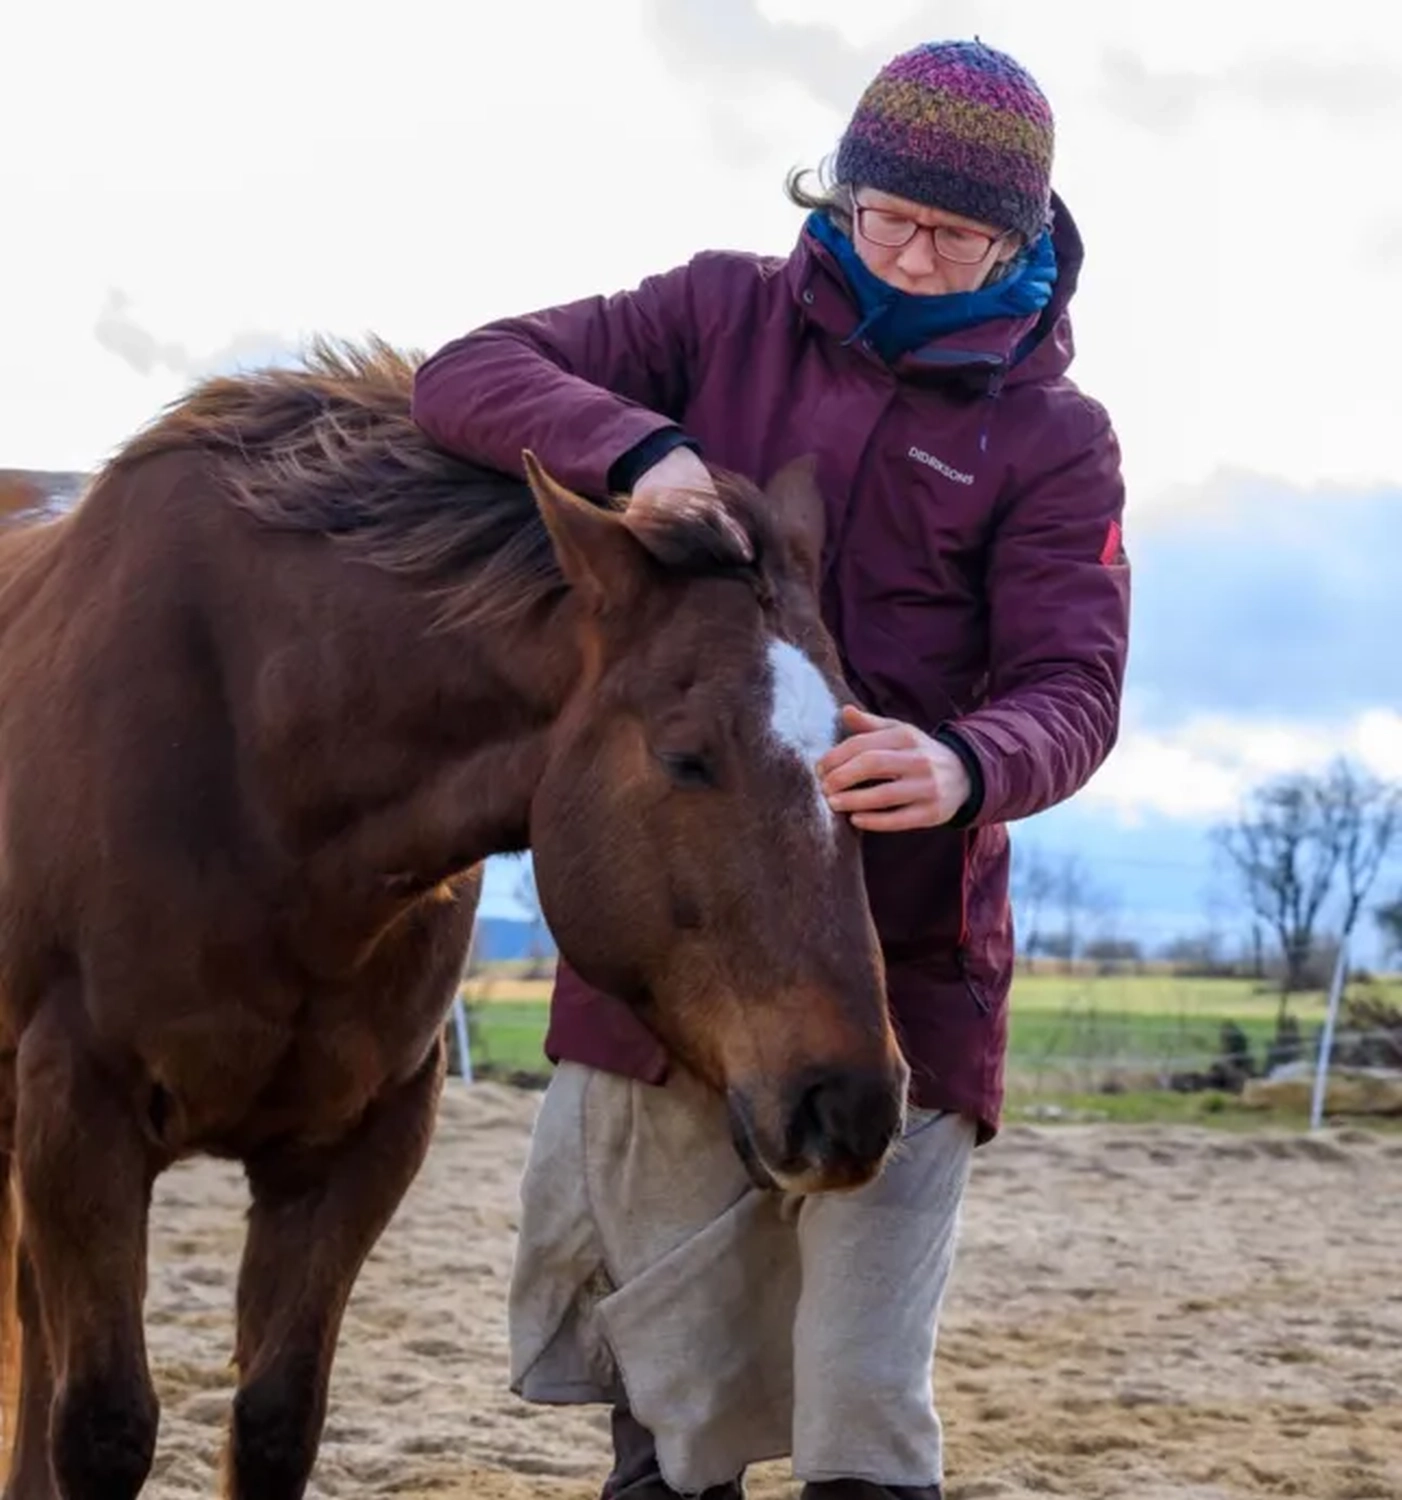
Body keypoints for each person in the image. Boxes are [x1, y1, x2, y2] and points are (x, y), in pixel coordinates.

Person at [410, 37, 1130, 1500]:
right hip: (681, 931)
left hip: (903, 952)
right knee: (666, 1390)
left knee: (862, 1393)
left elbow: (1073, 689)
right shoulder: (715, 312)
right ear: (842, 192)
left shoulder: (1053, 439)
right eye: (890, 219)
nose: (916, 256)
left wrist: (965, 762)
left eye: (959, 234)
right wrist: (635, 447)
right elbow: (467, 372)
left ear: (1025, 237)